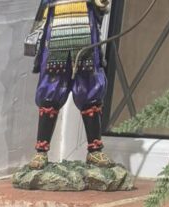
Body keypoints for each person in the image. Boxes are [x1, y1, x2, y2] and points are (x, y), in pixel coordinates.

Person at [25, 0, 115, 170]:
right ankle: (41, 151)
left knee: (90, 84)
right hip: (57, 20)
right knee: (51, 86)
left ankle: (95, 150)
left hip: (84, 23)